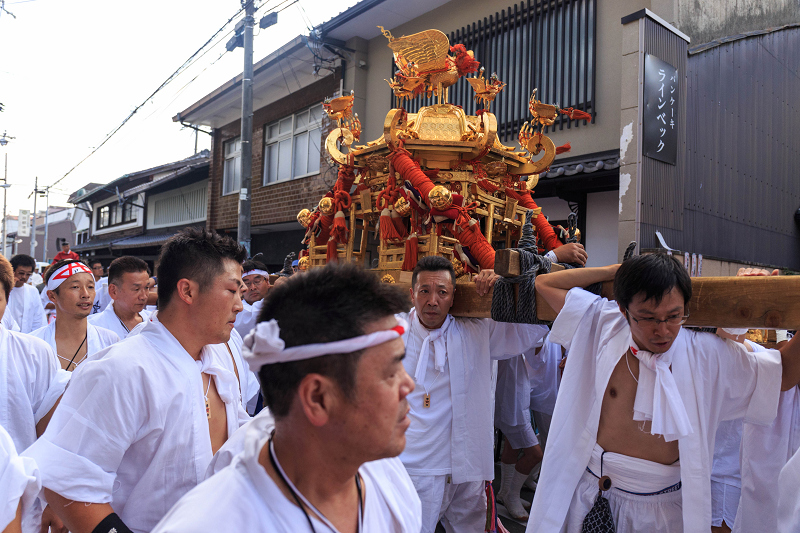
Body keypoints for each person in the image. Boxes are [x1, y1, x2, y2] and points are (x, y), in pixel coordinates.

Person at [527, 253, 800, 533]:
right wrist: (613, 271)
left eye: (673, 316)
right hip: (590, 494)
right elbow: (546, 284)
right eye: (647, 318)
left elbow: (785, 372)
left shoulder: (705, 354)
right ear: (624, 309)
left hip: (661, 511)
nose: (663, 331)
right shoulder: (604, 324)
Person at [152, 262, 421, 533]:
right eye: (390, 373)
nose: (408, 385)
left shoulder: (387, 476)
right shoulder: (213, 524)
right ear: (317, 398)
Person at [24, 228, 251, 533]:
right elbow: (67, 481)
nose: (239, 305)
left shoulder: (219, 358)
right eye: (232, 290)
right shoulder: (123, 369)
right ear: (187, 291)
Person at [399, 256, 548, 533]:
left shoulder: (476, 330)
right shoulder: (394, 333)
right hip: (416, 469)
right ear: (412, 294)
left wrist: (504, 286)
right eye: (424, 291)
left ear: (454, 296)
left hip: (467, 466)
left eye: (442, 292)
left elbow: (530, 323)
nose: (432, 300)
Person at [0, 254, 68, 532]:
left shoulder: (33, 353)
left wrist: (57, 500)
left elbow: (52, 432)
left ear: (7, 298)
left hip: (24, 498)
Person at [30, 260, 120, 371]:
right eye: (75, 287)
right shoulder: (33, 344)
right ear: (52, 296)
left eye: (91, 287)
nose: (86, 294)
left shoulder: (109, 340)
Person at [495, 350, 545, 521]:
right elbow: (537, 356)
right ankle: (512, 496)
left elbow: (535, 358)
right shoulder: (508, 335)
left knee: (512, 444)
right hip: (511, 400)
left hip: (515, 396)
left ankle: (504, 492)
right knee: (535, 454)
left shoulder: (514, 336)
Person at [88, 256, 150, 339]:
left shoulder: (155, 321)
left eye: (146, 288)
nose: (144, 296)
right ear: (113, 291)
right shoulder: (93, 327)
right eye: (136, 289)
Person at [7, 254, 46, 333]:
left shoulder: (32, 291)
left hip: (27, 337)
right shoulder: (4, 290)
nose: (24, 277)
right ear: (12, 271)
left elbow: (38, 318)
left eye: (28, 274)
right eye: (21, 273)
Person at [233, 259, 271, 338]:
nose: (252, 287)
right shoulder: (235, 310)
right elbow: (252, 315)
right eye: (247, 283)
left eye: (257, 281)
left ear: (267, 282)